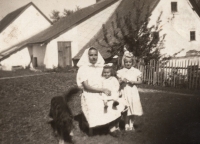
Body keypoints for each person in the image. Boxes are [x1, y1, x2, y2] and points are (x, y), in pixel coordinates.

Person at [76, 47, 124, 136]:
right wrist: (102, 89)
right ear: (87, 56)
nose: (93, 57)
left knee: (117, 102)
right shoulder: (83, 69)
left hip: (102, 92)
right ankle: (91, 125)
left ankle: (112, 127)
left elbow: (108, 77)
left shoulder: (100, 67)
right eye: (91, 55)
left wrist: (117, 82)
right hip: (90, 93)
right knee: (97, 105)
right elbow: (86, 87)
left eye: (95, 55)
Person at [117, 50, 143, 131]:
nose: (128, 64)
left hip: (133, 92)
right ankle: (126, 124)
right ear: (123, 62)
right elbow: (117, 83)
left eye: (129, 62)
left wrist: (134, 82)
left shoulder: (135, 71)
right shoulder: (121, 72)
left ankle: (131, 124)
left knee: (133, 108)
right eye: (126, 62)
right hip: (125, 91)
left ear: (132, 62)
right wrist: (121, 81)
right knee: (126, 109)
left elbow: (140, 81)